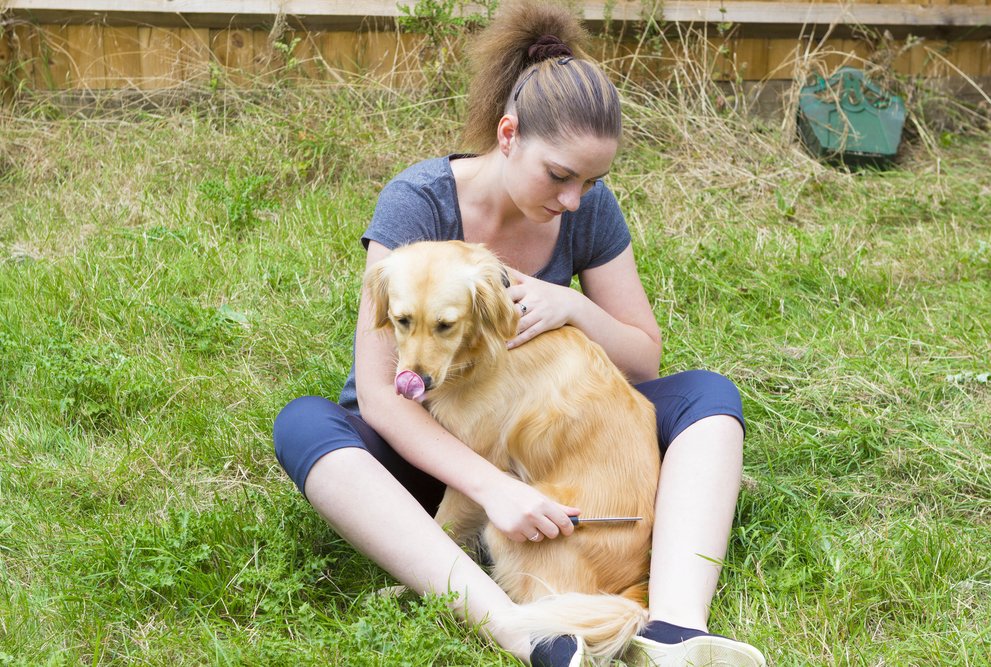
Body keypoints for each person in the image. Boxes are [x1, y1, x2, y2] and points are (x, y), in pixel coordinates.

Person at [273, 1, 766, 665]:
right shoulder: (419, 202)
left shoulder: (586, 208)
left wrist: (574, 308)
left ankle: (675, 625)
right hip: (415, 455)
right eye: (559, 175)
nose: (573, 198)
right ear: (507, 135)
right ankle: (515, 625)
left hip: (540, 445)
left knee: (708, 394)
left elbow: (643, 359)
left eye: (591, 181)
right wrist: (494, 488)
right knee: (304, 424)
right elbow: (382, 390)